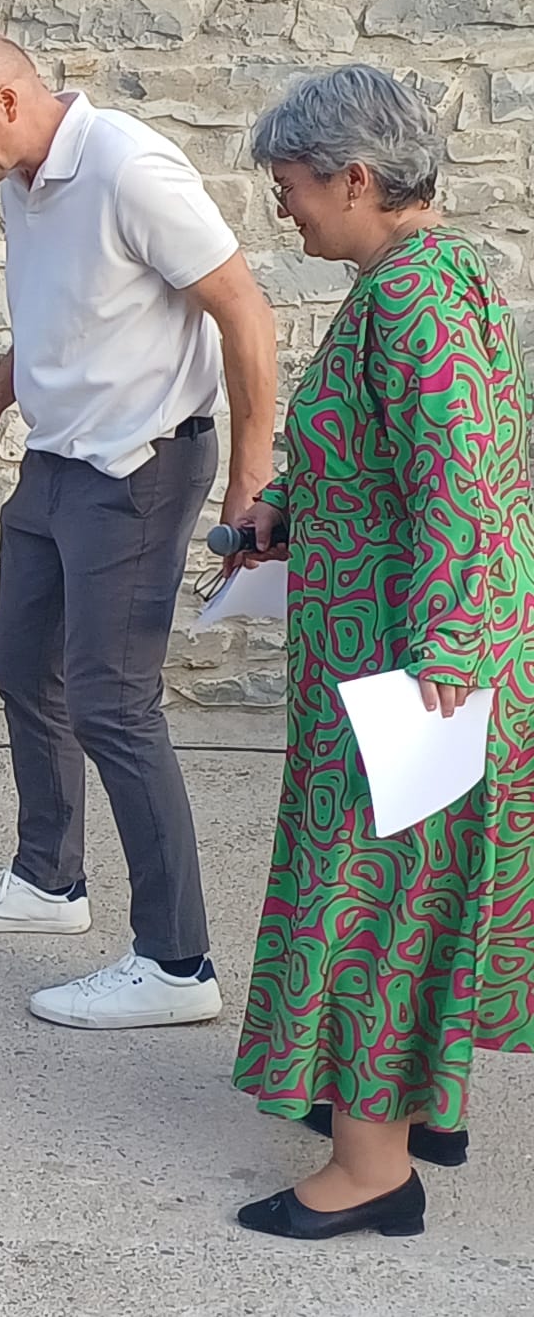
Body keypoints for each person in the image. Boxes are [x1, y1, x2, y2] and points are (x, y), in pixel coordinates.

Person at [0, 27, 278, 1028]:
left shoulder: (127, 167)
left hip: (139, 467)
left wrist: (249, 478)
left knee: (113, 704)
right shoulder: (18, 181)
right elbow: (59, 312)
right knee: (24, 666)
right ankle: (47, 880)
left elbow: (243, 313)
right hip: (57, 458)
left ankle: (176, 964)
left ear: (4, 101)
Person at [226, 65, 533, 1240]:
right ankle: (406, 1114)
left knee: (370, 907)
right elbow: (386, 452)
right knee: (395, 901)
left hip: (411, 672)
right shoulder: (421, 278)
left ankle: (371, 1173)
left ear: (354, 177)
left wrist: (443, 661)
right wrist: (285, 505)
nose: (283, 207)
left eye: (290, 186)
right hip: (393, 655)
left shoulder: (410, 301)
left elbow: (460, 484)